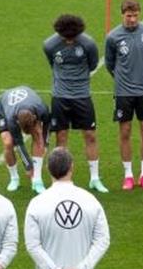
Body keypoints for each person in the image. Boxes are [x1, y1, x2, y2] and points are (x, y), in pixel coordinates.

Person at [44, 14, 108, 192]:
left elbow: (93, 64)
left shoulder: (88, 44)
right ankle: (59, 180)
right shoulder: (50, 45)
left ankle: (95, 178)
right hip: (60, 96)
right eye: (67, 38)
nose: (70, 41)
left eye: (74, 38)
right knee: (61, 137)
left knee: (90, 135)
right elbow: (52, 64)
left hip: (82, 96)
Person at [104, 0, 143, 190]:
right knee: (125, 131)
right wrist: (122, 79)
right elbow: (110, 65)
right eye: (129, 16)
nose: (133, 20)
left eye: (135, 15)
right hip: (123, 92)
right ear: (122, 15)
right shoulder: (113, 37)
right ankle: (128, 175)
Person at [0, 85, 50, 194]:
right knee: (8, 143)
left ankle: (37, 180)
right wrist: (28, 166)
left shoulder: (42, 108)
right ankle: (14, 178)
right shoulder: (11, 119)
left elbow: (47, 126)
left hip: (28, 103)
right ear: (18, 123)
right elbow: (19, 144)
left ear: (35, 118)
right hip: (2, 107)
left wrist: (46, 144)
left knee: (38, 135)